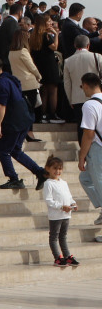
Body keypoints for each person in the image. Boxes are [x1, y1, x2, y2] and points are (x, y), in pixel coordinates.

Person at [0, 58, 48, 191]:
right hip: (24, 120)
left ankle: (14, 179)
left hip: (13, 122)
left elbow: (2, 105)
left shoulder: (0, 83)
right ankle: (40, 172)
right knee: (15, 150)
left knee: (2, 151)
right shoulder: (11, 79)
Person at [75, 72, 102, 243]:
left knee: (99, 183)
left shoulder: (89, 105)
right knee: (85, 178)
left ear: (85, 85)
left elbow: (89, 133)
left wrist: (81, 156)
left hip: (98, 149)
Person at [42, 156, 79, 266]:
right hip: (56, 215)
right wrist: (61, 207)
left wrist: (73, 203)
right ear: (48, 168)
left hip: (66, 214)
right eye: (55, 168)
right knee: (54, 237)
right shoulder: (48, 183)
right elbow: (49, 200)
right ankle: (57, 257)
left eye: (60, 169)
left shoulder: (64, 183)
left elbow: (68, 196)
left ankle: (67, 256)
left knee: (63, 236)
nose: (58, 171)